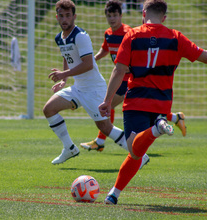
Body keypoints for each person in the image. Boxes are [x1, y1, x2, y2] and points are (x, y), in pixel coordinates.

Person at [98, 0, 207, 205]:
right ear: (164, 17)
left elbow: (119, 70)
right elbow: (203, 56)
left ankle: (157, 129)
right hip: (162, 105)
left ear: (143, 13)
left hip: (137, 101)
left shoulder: (132, 35)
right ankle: (114, 194)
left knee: (134, 150)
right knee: (137, 153)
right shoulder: (176, 37)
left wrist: (107, 100)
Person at [43, 0, 148, 167]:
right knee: (49, 109)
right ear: (57, 17)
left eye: (68, 16)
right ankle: (69, 148)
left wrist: (64, 74)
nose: (64, 19)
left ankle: (139, 155)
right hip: (78, 88)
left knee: (105, 127)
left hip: (93, 89)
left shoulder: (80, 36)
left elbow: (88, 64)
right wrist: (64, 80)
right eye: (61, 16)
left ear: (74, 16)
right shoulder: (60, 38)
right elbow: (66, 56)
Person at [80, 0, 186, 156]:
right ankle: (175, 117)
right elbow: (105, 49)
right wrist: (93, 59)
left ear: (121, 15)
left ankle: (101, 141)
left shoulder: (129, 33)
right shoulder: (108, 33)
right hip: (122, 79)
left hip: (130, 80)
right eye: (109, 16)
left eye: (115, 15)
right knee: (126, 107)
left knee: (108, 106)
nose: (112, 19)